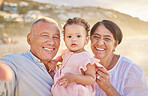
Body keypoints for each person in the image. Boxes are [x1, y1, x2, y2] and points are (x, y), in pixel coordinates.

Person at [0, 17, 60, 96]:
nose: (51, 42)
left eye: (56, 37)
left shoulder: (63, 67)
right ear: (29, 39)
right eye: (45, 35)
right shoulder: (15, 62)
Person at [90, 20, 148, 96]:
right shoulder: (83, 65)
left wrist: (108, 88)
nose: (100, 42)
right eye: (96, 37)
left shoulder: (130, 71)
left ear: (115, 44)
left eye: (107, 39)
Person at [51, 17, 102, 96]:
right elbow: (61, 57)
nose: (73, 39)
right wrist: (55, 61)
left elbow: (91, 79)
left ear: (86, 40)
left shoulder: (87, 59)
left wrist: (74, 78)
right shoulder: (67, 53)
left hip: (77, 92)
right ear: (64, 40)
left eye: (78, 36)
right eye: (69, 36)